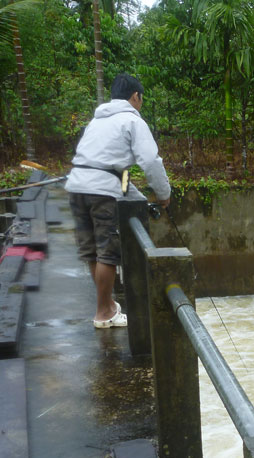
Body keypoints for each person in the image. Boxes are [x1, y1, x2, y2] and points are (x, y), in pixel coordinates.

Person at [66, 73, 171, 328]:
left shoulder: (97, 121)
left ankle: (109, 306)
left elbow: (119, 175)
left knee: (93, 251)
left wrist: (140, 200)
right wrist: (164, 195)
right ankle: (103, 313)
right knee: (107, 253)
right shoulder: (132, 121)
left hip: (77, 185)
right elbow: (150, 161)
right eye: (141, 98)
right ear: (136, 96)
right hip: (101, 191)